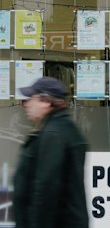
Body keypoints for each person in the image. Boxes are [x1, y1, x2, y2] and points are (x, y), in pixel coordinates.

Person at [12, 76, 89, 228]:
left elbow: (46, 190)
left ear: (46, 102)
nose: (26, 104)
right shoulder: (58, 129)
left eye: (31, 98)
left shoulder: (54, 134)